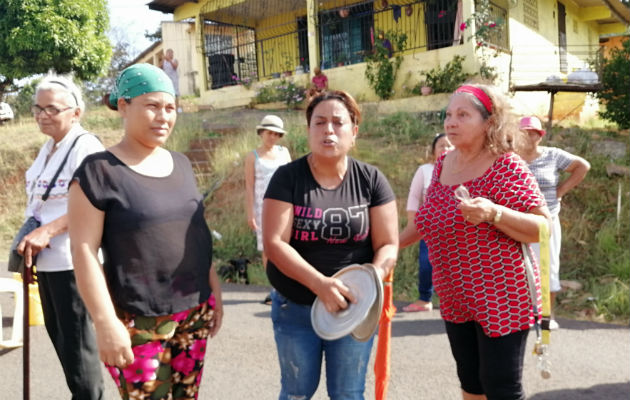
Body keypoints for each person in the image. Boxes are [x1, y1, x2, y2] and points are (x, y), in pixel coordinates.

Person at [67, 63, 223, 399]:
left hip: (194, 311)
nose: (163, 117)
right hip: (138, 319)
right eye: (151, 106)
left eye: (170, 108)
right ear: (123, 106)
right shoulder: (98, 172)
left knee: (187, 396)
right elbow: (82, 250)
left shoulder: (180, 163)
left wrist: (214, 291)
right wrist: (105, 322)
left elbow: (195, 231)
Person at [402, 84, 551, 400]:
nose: (450, 122)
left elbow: (542, 228)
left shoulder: (506, 165)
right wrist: (384, 248)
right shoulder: (443, 164)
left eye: (462, 115)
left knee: (500, 388)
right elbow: (424, 222)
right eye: (448, 114)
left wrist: (494, 212)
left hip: (502, 295)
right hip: (455, 296)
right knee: (470, 382)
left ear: (488, 122)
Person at [263, 90, 398, 399]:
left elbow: (388, 244)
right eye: (319, 122)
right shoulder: (287, 178)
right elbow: (274, 244)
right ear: (308, 130)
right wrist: (320, 285)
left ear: (354, 132)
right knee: (297, 392)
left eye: (338, 122)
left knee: (348, 393)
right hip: (296, 306)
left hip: (355, 308)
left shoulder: (371, 180)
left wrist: (371, 282)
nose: (328, 130)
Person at [17, 73, 105, 399]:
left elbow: (97, 202)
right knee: (63, 344)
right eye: (37, 108)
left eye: (51, 109)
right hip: (48, 262)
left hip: (74, 262)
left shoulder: (85, 147)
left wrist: (48, 230)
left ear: (76, 112)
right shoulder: (49, 147)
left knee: (79, 350)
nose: (42, 115)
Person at [518, 115, 590, 330]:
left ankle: (547, 314)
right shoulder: (511, 157)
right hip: (518, 221)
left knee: (548, 266)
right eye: (525, 132)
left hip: (546, 220)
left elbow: (582, 166)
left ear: (541, 135)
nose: (529, 136)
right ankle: (522, 314)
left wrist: (560, 191)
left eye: (534, 132)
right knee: (519, 266)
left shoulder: (552, 155)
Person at [400, 133, 453, 312]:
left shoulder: (465, 168)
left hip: (457, 229)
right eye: (441, 145)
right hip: (429, 228)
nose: (446, 148)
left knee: (455, 267)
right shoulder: (425, 170)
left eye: (450, 145)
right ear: (433, 151)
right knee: (426, 264)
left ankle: (454, 303)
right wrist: (411, 224)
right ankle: (425, 299)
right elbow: (414, 197)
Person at [244, 114, 291, 304]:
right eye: (269, 133)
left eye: (277, 134)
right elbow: (249, 186)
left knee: (286, 246)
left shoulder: (284, 153)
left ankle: (288, 287)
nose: (272, 137)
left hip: (285, 207)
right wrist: (250, 213)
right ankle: (274, 288)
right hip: (262, 208)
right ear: (261, 133)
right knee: (267, 249)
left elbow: (291, 179)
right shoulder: (252, 156)